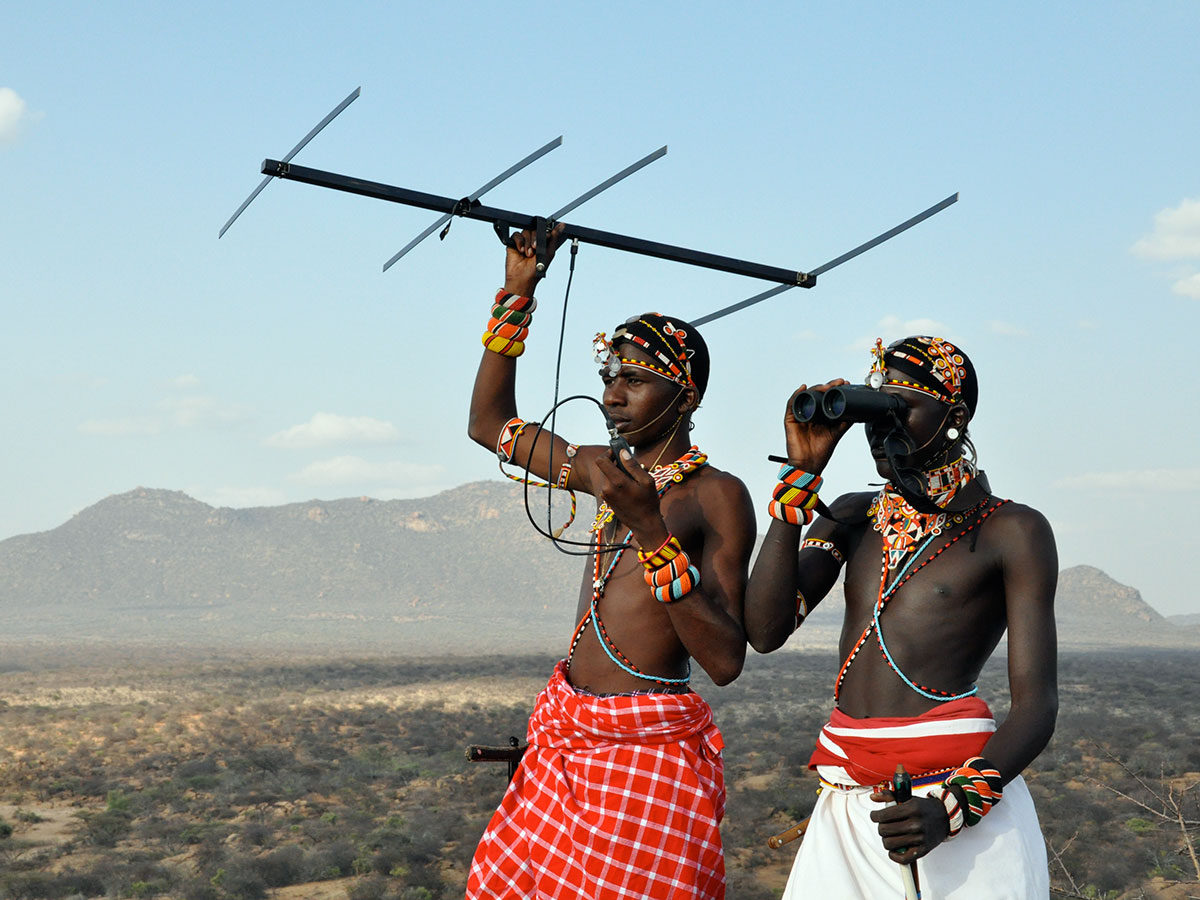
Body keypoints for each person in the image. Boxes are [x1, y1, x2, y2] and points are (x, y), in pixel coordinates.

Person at [464, 228, 756, 899]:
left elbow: (726, 661)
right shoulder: (600, 468)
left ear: (685, 395)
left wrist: (652, 530)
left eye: (633, 380)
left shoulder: (716, 497)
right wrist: (516, 294)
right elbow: (489, 426)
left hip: (647, 756)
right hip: (566, 738)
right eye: (608, 379)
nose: (613, 396)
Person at [745, 336, 1058, 898]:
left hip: (953, 802)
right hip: (847, 802)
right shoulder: (848, 515)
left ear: (955, 416)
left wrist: (952, 810)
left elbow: (1037, 706)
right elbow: (765, 631)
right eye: (874, 409)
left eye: (901, 409)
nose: (880, 427)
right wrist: (799, 479)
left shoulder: (1013, 531)